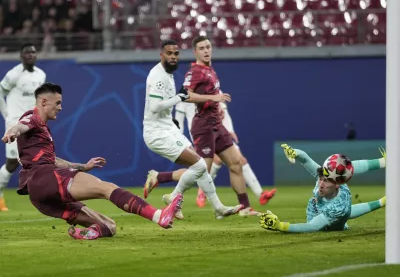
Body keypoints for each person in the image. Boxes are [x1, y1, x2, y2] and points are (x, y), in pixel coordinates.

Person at [2, 82, 183, 240]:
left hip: (40, 194)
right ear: (43, 102)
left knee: (109, 226)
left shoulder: (41, 131)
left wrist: (83, 166)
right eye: (58, 103)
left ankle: (88, 233)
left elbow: (53, 160)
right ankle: (159, 215)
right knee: (106, 188)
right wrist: (12, 132)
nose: (60, 107)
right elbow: (20, 126)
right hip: (44, 179)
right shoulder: (32, 117)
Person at [142, 39, 243, 220]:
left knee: (200, 167)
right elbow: (154, 107)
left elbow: (161, 107)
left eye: (176, 53)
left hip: (167, 128)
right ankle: (174, 196)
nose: (173, 57)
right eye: (169, 54)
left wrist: (171, 118)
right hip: (156, 133)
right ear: (161, 55)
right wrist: (179, 98)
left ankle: (217, 208)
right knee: (199, 165)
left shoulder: (168, 74)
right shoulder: (157, 75)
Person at [259, 144, 386, 233]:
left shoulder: (337, 207)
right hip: (320, 208)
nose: (321, 184)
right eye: (321, 178)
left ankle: (382, 201)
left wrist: (281, 226)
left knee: (344, 212)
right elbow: (305, 159)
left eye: (326, 181)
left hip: (327, 226)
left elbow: (313, 226)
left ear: (337, 184)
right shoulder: (330, 176)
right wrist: (294, 153)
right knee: (345, 210)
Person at [174, 101, 276, 207]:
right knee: (213, 162)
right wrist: (180, 140)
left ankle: (260, 195)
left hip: (219, 130)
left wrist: (230, 130)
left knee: (240, 161)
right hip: (201, 133)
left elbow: (223, 112)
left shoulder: (214, 88)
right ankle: (200, 192)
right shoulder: (187, 93)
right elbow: (179, 120)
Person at [0, 43, 46, 211]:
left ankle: (44, 197)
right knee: (12, 163)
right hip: (15, 124)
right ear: (21, 56)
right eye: (27, 53)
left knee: (40, 160)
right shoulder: (14, 74)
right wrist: (6, 115)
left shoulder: (41, 75)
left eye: (33, 52)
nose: (31, 55)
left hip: (32, 124)